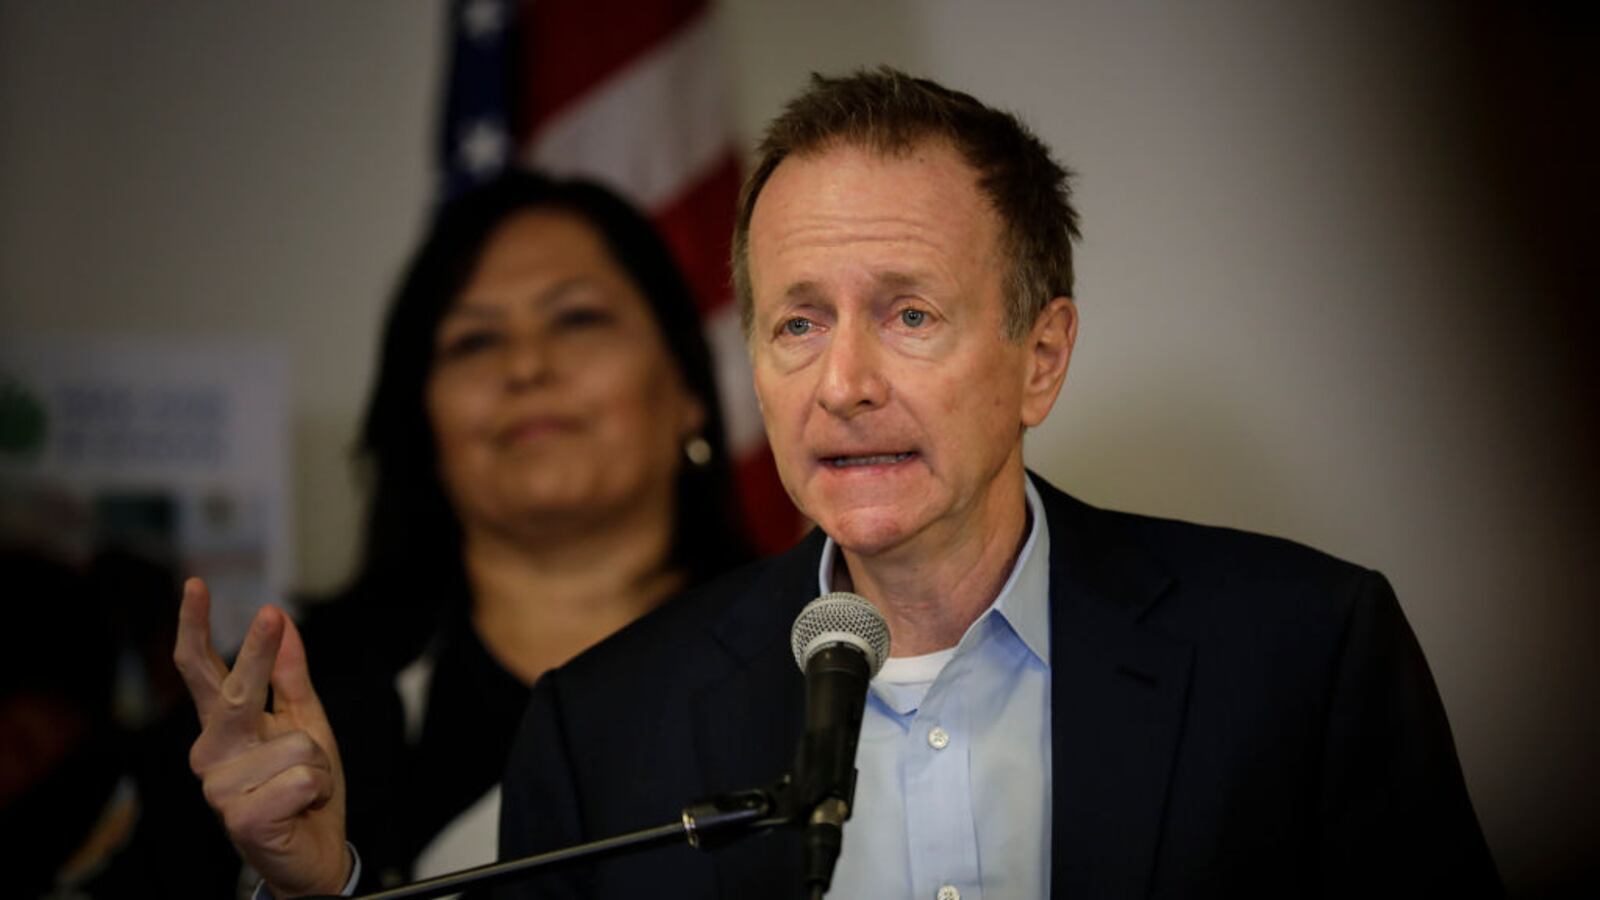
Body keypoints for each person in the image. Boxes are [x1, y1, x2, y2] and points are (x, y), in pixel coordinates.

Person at [492, 68, 1502, 898]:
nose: (842, 386)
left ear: (1041, 358)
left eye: (909, 316)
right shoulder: (602, 733)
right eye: (798, 323)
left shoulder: (1305, 654)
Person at [172, 171, 753, 896]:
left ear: (689, 390)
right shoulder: (287, 705)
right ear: (423, 424)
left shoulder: (822, 653)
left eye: (576, 319)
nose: (526, 366)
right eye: (473, 340)